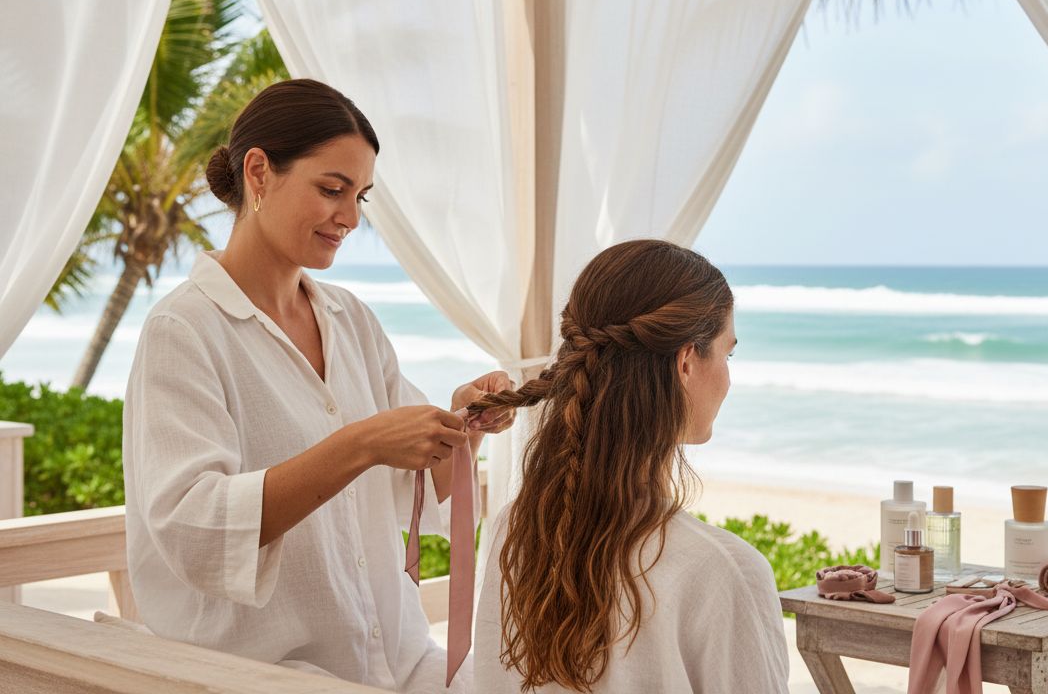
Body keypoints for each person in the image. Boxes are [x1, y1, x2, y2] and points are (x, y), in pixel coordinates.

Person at [122, 78, 511, 691]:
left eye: (361, 196)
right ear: (258, 173)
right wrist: (358, 444)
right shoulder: (185, 330)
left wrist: (462, 426)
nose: (351, 217)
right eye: (332, 189)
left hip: (399, 660)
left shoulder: (350, 319)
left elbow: (417, 479)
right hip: (261, 674)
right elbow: (191, 527)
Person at [472, 239, 788, 693]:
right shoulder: (723, 573)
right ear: (685, 363)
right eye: (727, 354)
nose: (728, 377)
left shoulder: (517, 529)